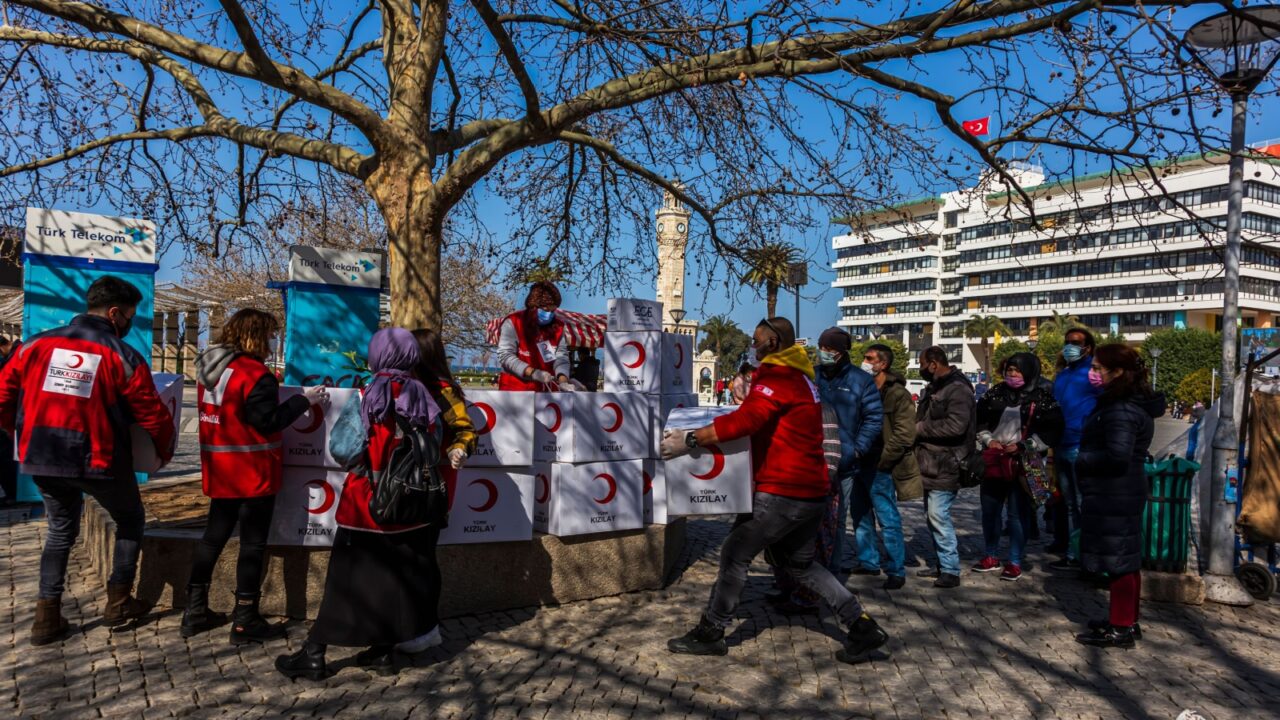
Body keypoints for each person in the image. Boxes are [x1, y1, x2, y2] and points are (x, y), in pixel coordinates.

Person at [660, 317, 889, 664]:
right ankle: (861, 625)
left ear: (772, 343)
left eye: (756, 340)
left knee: (735, 554)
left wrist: (691, 439)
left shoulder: (779, 377)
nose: (752, 346)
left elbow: (746, 421)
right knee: (800, 565)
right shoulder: (802, 378)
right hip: (811, 491)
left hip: (783, 490)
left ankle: (711, 631)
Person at [0, 276, 175, 645]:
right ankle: (119, 600)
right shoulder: (122, 355)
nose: (129, 324)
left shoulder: (33, 345)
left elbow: (3, 396)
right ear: (115, 313)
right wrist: (163, 451)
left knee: (60, 531)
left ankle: (46, 616)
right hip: (99, 457)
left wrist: (21, 433)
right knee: (129, 520)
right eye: (129, 316)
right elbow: (152, 414)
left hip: (43, 457)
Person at [276, 328, 445, 680]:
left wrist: (366, 464)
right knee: (391, 581)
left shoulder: (369, 395)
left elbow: (343, 448)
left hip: (365, 507)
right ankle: (382, 653)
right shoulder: (425, 398)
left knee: (344, 583)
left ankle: (314, 652)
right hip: (409, 509)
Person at [182, 309, 329, 642]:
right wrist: (303, 401)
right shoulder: (255, 374)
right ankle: (245, 618)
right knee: (252, 545)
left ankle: (194, 611)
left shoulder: (213, 370)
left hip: (221, 470)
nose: (275, 341)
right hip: (252, 472)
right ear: (258, 336)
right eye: (271, 334)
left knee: (212, 538)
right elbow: (268, 420)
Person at [1074, 344, 1164, 648]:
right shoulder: (1120, 403)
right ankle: (1125, 619)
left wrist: (1082, 459)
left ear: (1119, 372)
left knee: (1119, 561)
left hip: (1116, 490)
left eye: (1098, 368)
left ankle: (1121, 627)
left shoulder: (1122, 409)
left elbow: (1117, 455)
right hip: (1118, 490)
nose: (1092, 373)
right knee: (1125, 557)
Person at [397, 327, 479, 654]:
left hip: (433, 485)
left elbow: (466, 431)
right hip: (408, 482)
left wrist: (459, 450)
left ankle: (425, 627)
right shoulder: (405, 387)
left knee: (423, 555)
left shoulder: (444, 392)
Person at [972, 353, 1064, 581]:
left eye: (1017, 370)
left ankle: (1014, 560)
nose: (1011, 375)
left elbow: (1054, 429)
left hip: (1025, 462)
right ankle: (990, 555)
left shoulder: (1043, 398)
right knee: (990, 511)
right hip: (995, 459)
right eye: (1009, 370)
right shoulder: (994, 394)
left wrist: (1025, 445)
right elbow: (979, 420)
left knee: (1017, 513)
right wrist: (987, 439)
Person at [810, 328, 884, 582]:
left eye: (828, 349)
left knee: (837, 521)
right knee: (807, 521)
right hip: (811, 461)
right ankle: (804, 573)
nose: (823, 353)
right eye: (821, 347)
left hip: (844, 463)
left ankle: (832, 573)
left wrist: (856, 449)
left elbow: (874, 419)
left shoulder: (860, 381)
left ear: (841, 353)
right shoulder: (812, 376)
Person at [857, 342, 919, 590]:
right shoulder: (862, 388)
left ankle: (896, 569)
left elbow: (905, 434)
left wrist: (884, 460)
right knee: (860, 515)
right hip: (859, 461)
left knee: (888, 518)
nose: (865, 361)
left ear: (883, 364)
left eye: (869, 358)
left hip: (881, 465)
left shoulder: (897, 394)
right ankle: (868, 561)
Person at [913, 346, 975, 589]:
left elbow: (957, 426)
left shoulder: (958, 389)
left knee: (938, 514)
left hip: (948, 462)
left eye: (921, 363)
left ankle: (950, 569)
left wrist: (919, 429)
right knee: (931, 515)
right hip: (931, 462)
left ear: (933, 363)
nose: (920, 369)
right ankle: (942, 564)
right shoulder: (935, 387)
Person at [1049, 327, 1102, 571]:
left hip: (1082, 444)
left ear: (1088, 347)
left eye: (1075, 342)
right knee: (1070, 503)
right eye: (1067, 341)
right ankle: (1073, 552)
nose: (1069, 346)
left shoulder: (1094, 372)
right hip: (1061, 444)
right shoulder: (1062, 375)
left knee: (1083, 502)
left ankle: (1084, 554)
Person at [496, 281, 578, 391]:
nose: (549, 314)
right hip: (515, 389)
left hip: (545, 390)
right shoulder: (514, 322)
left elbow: (561, 357)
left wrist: (563, 380)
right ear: (533, 306)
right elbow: (505, 356)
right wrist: (533, 373)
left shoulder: (558, 327)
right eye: (545, 310)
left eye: (553, 310)